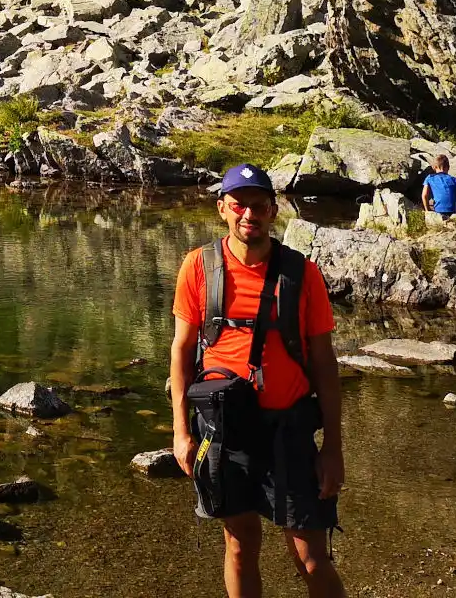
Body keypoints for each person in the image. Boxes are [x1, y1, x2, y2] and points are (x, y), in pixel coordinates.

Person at [170, 163, 348, 598]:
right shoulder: (198, 267)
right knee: (239, 544)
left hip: (289, 429)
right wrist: (180, 431)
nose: (249, 214)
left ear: (272, 211)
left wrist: (333, 449)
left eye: (259, 205)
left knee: (309, 554)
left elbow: (324, 363)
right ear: (222, 209)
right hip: (226, 431)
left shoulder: (302, 274)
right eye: (239, 205)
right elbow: (180, 351)